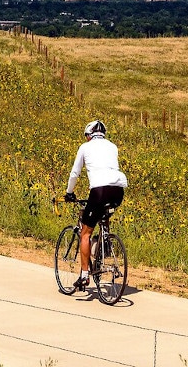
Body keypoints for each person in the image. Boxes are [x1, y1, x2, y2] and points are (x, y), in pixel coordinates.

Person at [64, 119, 127, 291]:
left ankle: (84, 275)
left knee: (85, 232)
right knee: (103, 214)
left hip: (99, 190)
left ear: (89, 135)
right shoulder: (112, 146)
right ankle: (105, 242)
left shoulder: (85, 147)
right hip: (118, 190)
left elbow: (75, 172)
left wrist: (69, 192)